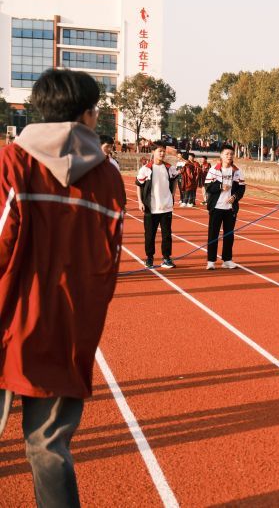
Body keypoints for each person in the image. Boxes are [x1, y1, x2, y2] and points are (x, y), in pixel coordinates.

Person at [0, 69, 125, 507]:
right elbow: (109, 262)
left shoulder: (12, 163)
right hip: (70, 326)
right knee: (48, 445)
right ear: (87, 115)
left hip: (8, 317)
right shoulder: (109, 178)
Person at [136, 144, 178, 269]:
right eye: (160, 151)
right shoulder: (146, 169)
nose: (162, 154)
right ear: (153, 152)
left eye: (164, 152)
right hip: (151, 207)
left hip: (166, 207)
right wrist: (140, 202)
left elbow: (175, 179)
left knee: (166, 235)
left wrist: (173, 194)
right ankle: (149, 258)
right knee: (150, 234)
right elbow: (139, 184)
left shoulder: (169, 168)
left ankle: (166, 258)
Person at [205, 146, 246, 269]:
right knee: (213, 234)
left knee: (229, 235)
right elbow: (208, 187)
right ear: (221, 155)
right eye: (227, 154)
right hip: (216, 208)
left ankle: (227, 260)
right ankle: (211, 261)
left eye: (231, 154)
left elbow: (242, 188)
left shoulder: (237, 171)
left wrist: (235, 197)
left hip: (230, 209)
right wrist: (220, 187)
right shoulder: (214, 170)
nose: (229, 156)